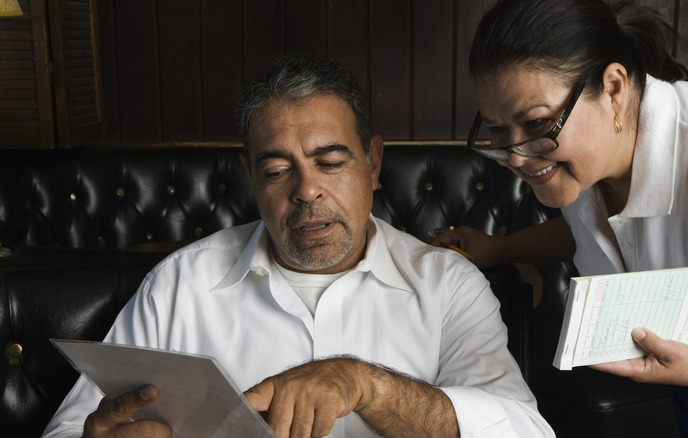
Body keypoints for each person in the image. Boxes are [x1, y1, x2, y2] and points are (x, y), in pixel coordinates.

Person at [42, 55, 553, 438]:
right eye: (277, 170)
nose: (306, 189)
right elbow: (70, 430)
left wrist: (366, 385)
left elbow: (525, 429)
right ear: (250, 177)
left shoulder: (449, 284)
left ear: (373, 163)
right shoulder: (181, 284)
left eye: (330, 162)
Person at [430, 0, 688, 435]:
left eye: (537, 123)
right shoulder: (590, 156)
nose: (517, 157)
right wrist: (502, 248)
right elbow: (600, 231)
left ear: (613, 87)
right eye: (498, 131)